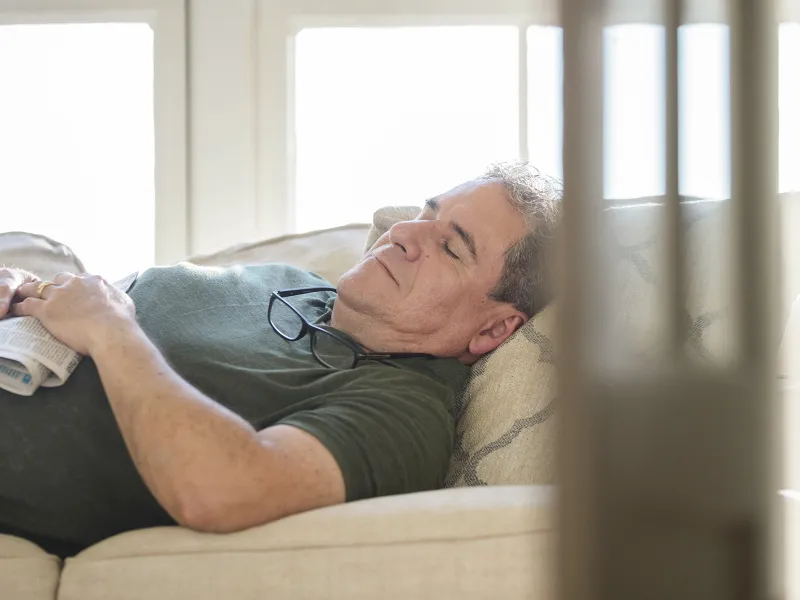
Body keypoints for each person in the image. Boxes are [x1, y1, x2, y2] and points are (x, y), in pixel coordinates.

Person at [0, 162, 560, 558]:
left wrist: (109, 330)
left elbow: (223, 490)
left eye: (451, 246)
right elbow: (95, 302)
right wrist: (27, 291)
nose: (406, 233)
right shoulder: (287, 282)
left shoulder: (402, 408)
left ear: (493, 328)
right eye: (425, 214)